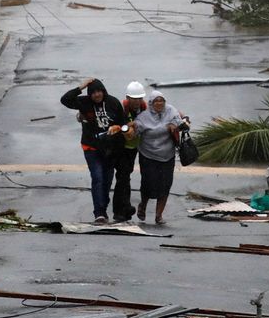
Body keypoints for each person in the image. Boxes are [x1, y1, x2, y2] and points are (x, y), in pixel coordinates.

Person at [61, 78, 128, 223]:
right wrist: (82, 86)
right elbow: (65, 100)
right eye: (93, 92)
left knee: (107, 180)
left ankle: (103, 206)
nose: (97, 95)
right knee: (97, 177)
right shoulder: (84, 102)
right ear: (90, 94)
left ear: (103, 91)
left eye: (99, 92)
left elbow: (123, 124)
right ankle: (99, 212)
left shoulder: (113, 103)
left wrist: (116, 128)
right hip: (91, 147)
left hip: (110, 148)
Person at [132, 89, 185, 225]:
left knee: (165, 185)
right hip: (148, 155)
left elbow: (183, 124)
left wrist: (178, 125)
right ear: (151, 103)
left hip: (168, 155)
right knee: (148, 185)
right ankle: (143, 205)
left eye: (162, 100)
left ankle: (158, 215)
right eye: (156, 101)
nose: (159, 103)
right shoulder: (143, 117)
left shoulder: (171, 111)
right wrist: (129, 129)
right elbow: (135, 131)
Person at [109, 82, 152, 222]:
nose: (137, 101)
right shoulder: (120, 109)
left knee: (126, 177)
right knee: (122, 178)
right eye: (134, 98)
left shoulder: (145, 108)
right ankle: (119, 211)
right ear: (128, 97)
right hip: (121, 148)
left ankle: (126, 207)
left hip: (135, 148)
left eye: (140, 98)